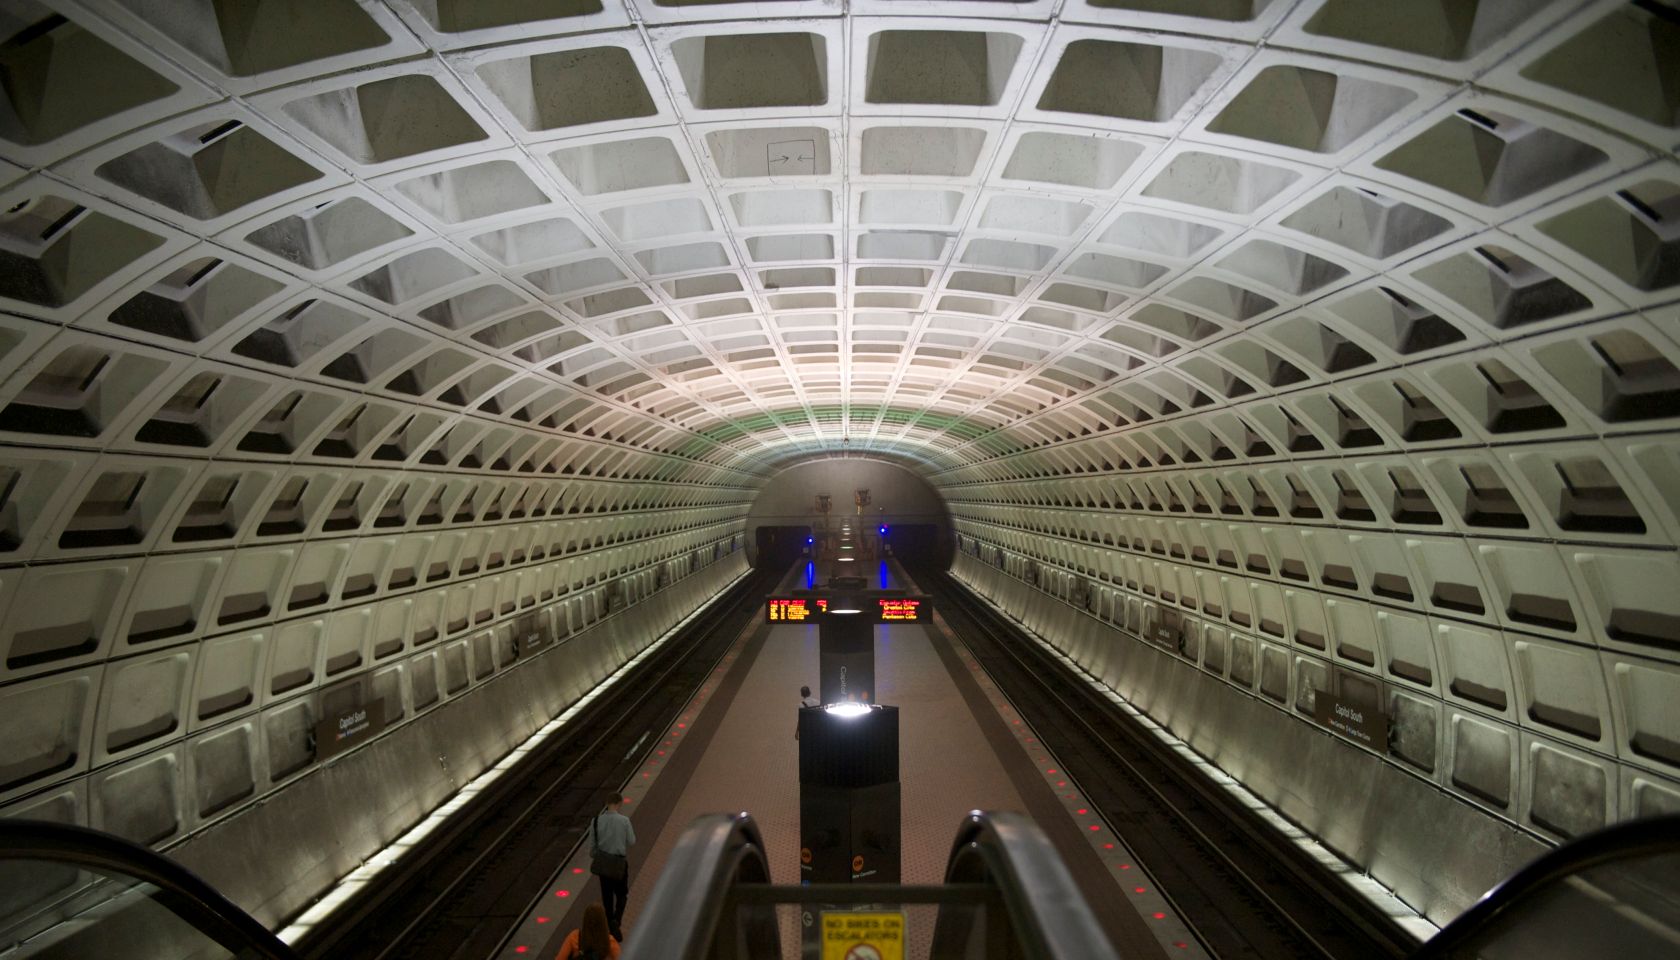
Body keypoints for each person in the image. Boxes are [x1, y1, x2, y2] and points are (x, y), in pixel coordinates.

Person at [590, 793, 635, 942]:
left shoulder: (595, 821)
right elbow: (632, 841)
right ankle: (617, 920)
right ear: (619, 803)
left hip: (604, 865)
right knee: (622, 894)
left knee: (607, 897)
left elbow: (592, 849)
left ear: (607, 803)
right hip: (619, 864)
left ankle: (610, 926)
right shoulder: (624, 821)